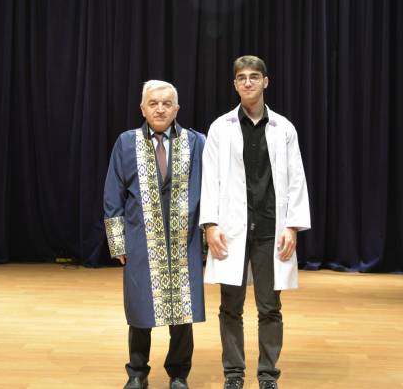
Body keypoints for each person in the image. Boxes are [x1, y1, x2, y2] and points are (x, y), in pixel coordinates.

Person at [200, 56, 311, 389]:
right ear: (234, 84)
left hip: (269, 228)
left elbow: (296, 178)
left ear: (265, 81)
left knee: (270, 307)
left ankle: (267, 375)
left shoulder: (283, 128)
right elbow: (209, 179)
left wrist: (292, 226)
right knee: (230, 307)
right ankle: (234, 375)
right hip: (231, 230)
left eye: (254, 76)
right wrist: (210, 225)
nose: (247, 82)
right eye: (241, 78)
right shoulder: (220, 127)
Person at [104, 80, 206, 389]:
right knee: (139, 310)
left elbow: (210, 192)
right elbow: (113, 194)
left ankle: (179, 373)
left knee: (182, 312)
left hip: (184, 239)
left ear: (176, 108)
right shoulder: (126, 142)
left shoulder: (195, 142)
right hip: (140, 238)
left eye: (166, 103)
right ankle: (137, 373)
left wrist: (207, 239)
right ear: (143, 109)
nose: (160, 109)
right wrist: (118, 242)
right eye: (153, 103)